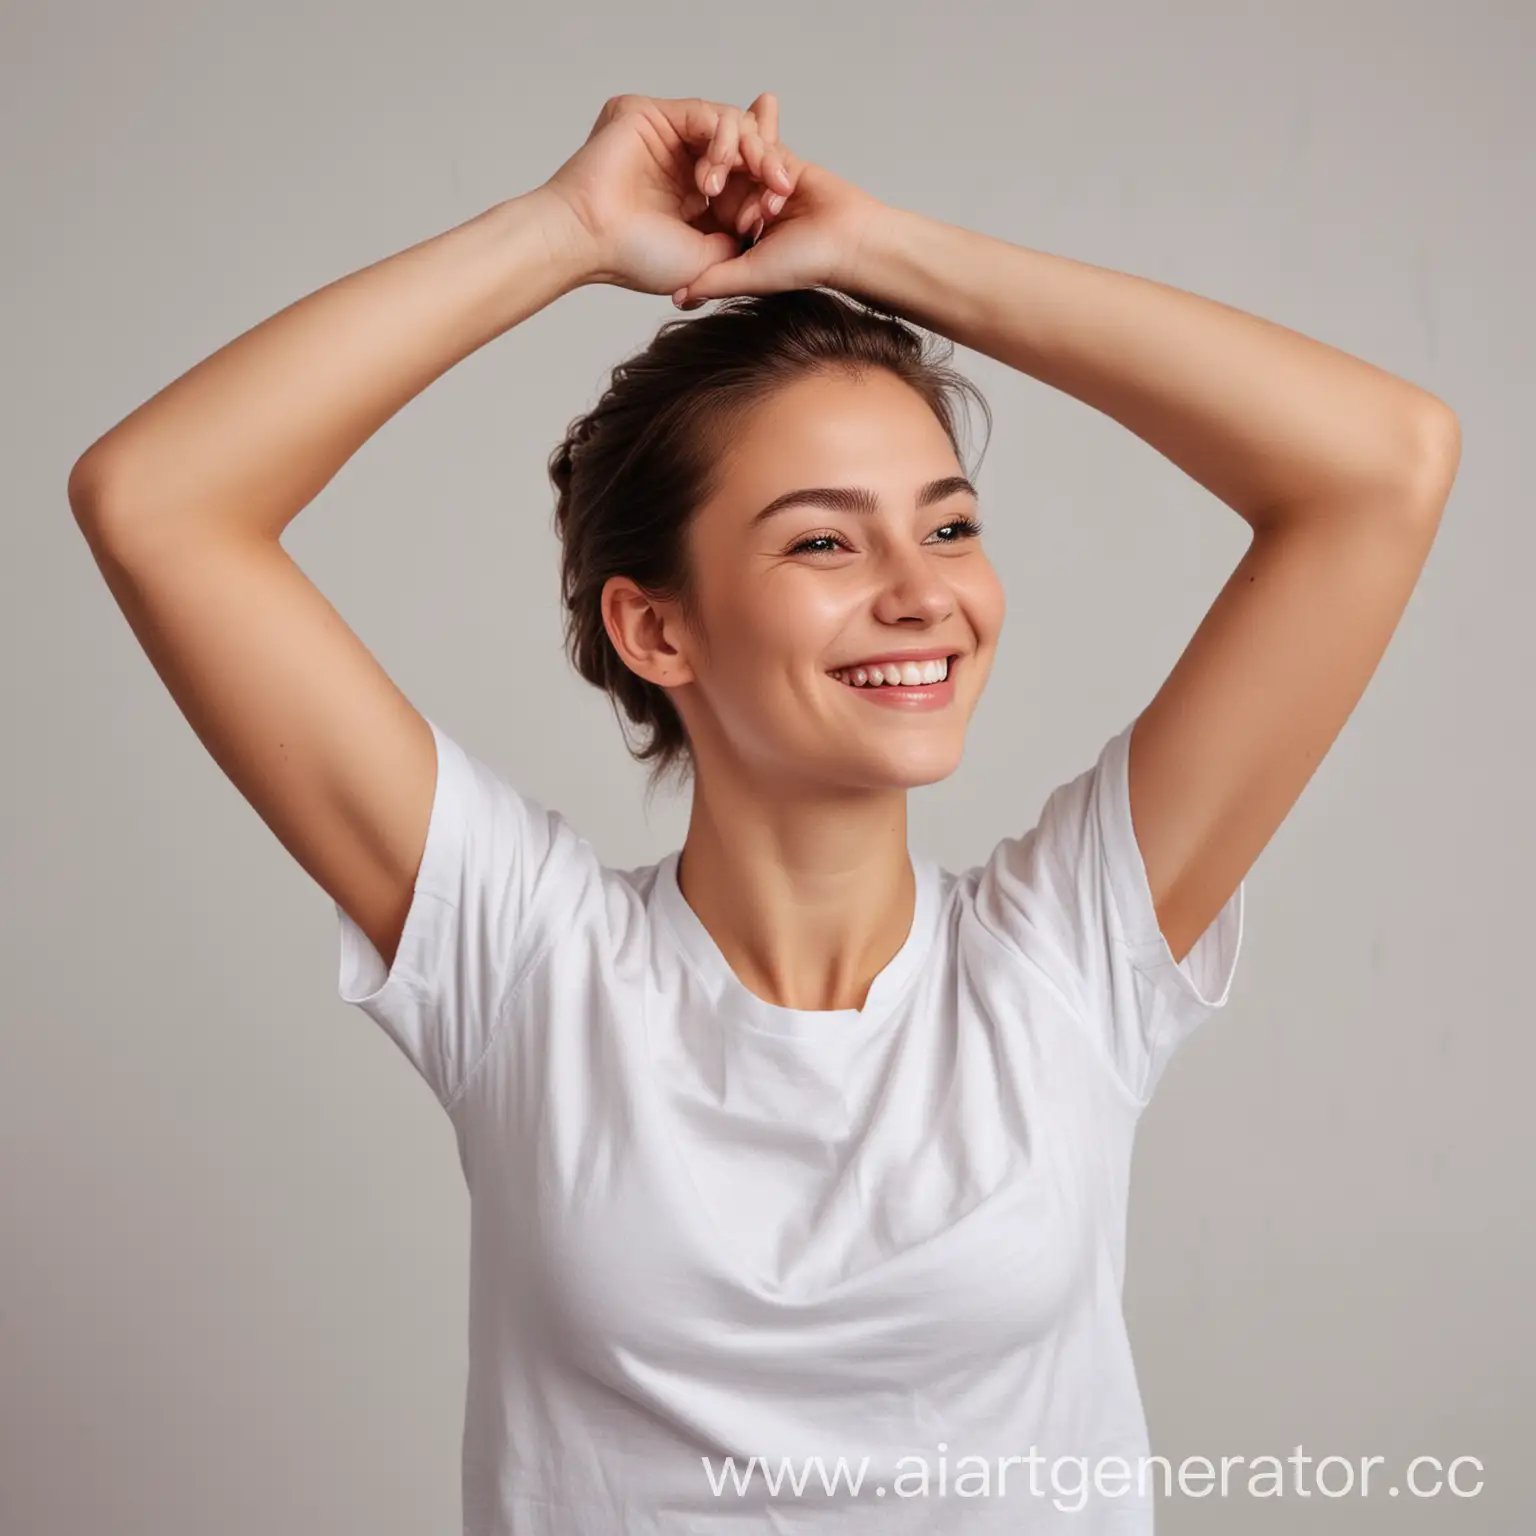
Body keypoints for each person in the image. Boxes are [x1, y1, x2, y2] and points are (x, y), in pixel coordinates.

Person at [68, 90, 1459, 1535]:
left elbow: (1382, 468)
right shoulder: (527, 965)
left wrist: (891, 253)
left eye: (949, 523)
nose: (922, 592)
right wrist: (567, 232)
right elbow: (158, 499)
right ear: (654, 630)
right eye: (821, 540)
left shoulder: (1067, 958)